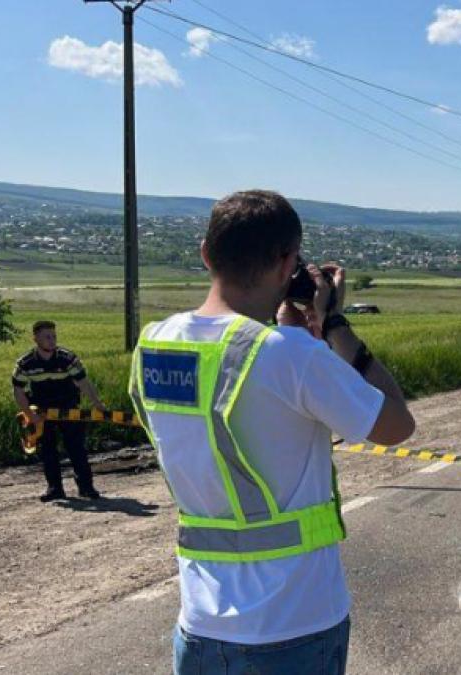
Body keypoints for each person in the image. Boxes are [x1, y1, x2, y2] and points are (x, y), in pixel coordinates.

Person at [128, 190, 414, 675]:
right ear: (287, 264)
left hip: (200, 623)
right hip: (295, 623)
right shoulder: (291, 356)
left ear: (206, 253)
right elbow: (396, 425)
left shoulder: (154, 344)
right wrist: (334, 325)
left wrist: (289, 333)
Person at [12, 320, 107, 501]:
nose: (52, 340)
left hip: (68, 408)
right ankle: (55, 489)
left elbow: (84, 383)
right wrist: (30, 415)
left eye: (54, 336)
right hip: (42, 413)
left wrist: (97, 404)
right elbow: (18, 391)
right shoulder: (25, 363)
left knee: (76, 449)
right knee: (48, 451)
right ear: (35, 338)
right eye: (47, 337)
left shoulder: (68, 358)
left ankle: (86, 488)